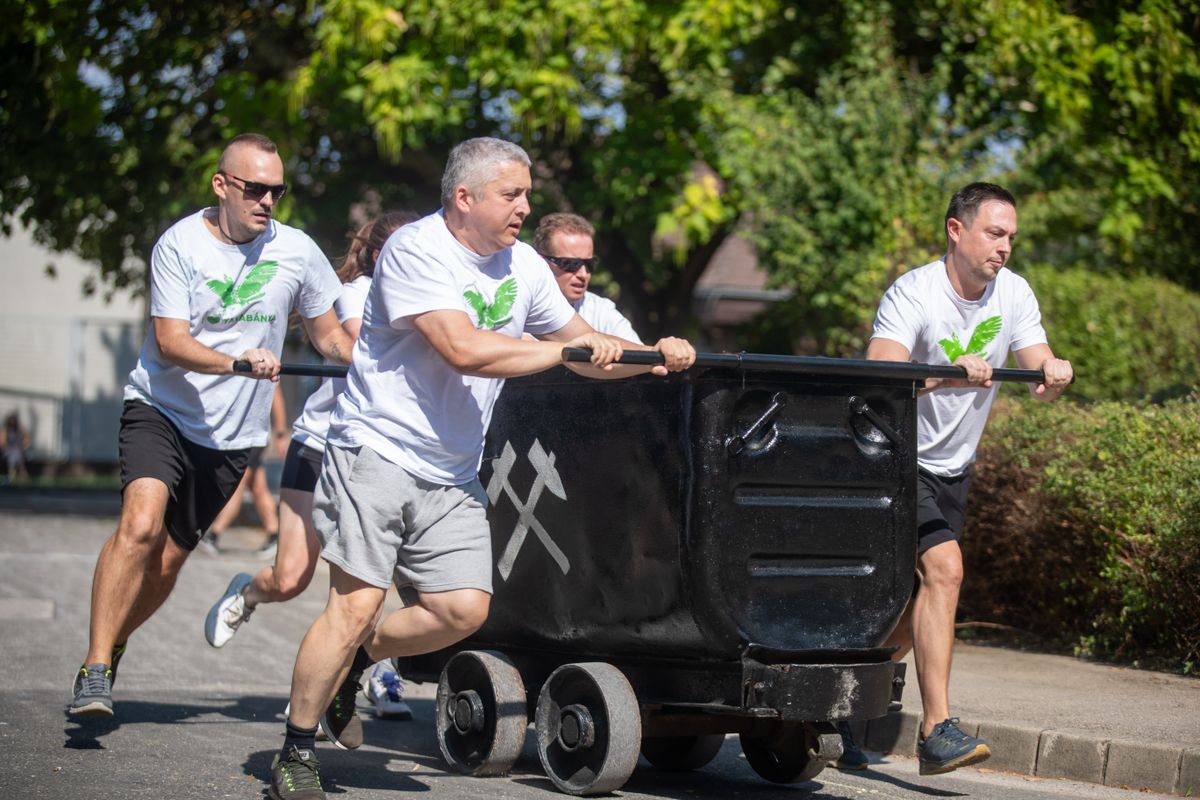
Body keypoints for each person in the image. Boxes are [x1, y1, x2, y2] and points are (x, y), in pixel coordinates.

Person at [265, 137, 696, 800]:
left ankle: (355, 659)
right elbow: (463, 349)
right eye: (512, 194)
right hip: (376, 450)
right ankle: (296, 749)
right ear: (464, 198)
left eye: (527, 193)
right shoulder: (418, 252)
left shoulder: (523, 265)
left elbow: (576, 348)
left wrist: (651, 356)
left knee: (463, 610)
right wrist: (563, 351)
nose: (526, 206)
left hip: (452, 470)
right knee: (353, 605)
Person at [68, 133, 354, 719]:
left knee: (168, 563)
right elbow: (171, 343)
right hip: (163, 410)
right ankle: (95, 668)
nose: (267, 201)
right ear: (221, 186)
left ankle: (117, 639)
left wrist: (383, 364)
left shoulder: (296, 252)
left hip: (231, 435)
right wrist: (237, 361)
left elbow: (329, 338)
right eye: (255, 189)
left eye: (277, 190)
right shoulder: (179, 245)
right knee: (141, 524)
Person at [857, 182, 1073, 776]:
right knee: (946, 571)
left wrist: (1051, 372)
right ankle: (936, 731)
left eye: (1012, 238)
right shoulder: (915, 291)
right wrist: (942, 376)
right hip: (897, 459)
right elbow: (878, 379)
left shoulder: (1015, 293)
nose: (1004, 248)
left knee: (912, 609)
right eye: (994, 233)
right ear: (956, 230)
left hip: (955, 466)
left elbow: (1036, 368)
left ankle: (844, 700)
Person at [205, 211, 418, 724]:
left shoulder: (433, 294)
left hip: (381, 451)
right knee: (291, 577)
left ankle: (359, 676)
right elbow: (357, 343)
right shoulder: (357, 293)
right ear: (382, 256)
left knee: (370, 581)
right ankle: (249, 591)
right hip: (320, 445)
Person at [196, 384, 288, 556]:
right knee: (258, 487)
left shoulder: (265, 359)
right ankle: (274, 533)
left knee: (236, 485)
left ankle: (215, 533)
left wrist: (281, 433)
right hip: (240, 433)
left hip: (252, 435)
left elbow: (277, 396)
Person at [532, 212, 642, 342]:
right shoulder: (520, 305)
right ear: (540, 262)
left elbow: (642, 356)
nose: (583, 274)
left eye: (589, 264)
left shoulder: (600, 310)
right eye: (571, 264)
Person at [2, 412, 31, 483]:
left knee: (18, 461)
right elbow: (3, 442)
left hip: (18, 450)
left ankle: (14, 478)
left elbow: (28, 439)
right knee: (14, 461)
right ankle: (14, 477)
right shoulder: (6, 430)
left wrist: (24, 447)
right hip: (10, 451)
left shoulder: (20, 429)